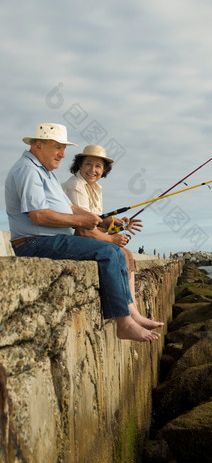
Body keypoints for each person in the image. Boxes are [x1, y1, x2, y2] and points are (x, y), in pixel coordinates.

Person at [5, 123, 161, 342]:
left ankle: (129, 315)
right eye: (58, 147)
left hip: (51, 239)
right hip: (34, 242)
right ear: (38, 145)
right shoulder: (28, 171)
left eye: (64, 148)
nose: (62, 154)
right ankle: (124, 323)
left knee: (115, 252)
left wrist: (101, 220)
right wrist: (82, 220)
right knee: (109, 252)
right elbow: (38, 216)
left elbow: (68, 208)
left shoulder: (45, 172)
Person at [62, 144, 163, 330]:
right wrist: (112, 239)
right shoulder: (76, 186)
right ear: (79, 165)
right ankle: (130, 312)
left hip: (88, 234)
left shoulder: (95, 188)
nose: (93, 170)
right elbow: (83, 226)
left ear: (104, 170)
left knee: (128, 254)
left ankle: (133, 310)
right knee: (121, 254)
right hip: (75, 237)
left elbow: (98, 221)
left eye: (98, 166)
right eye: (89, 164)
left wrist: (121, 226)